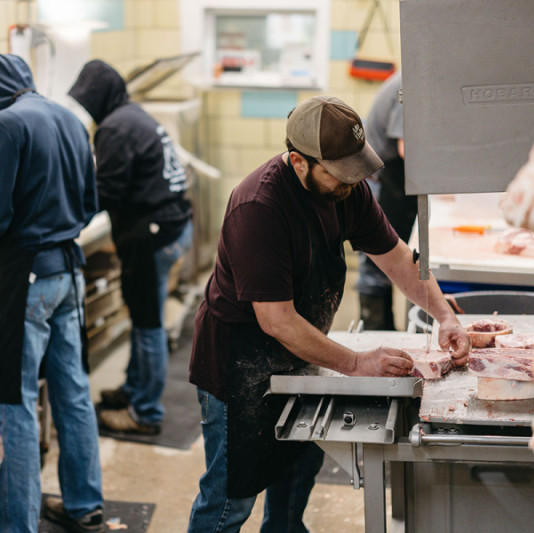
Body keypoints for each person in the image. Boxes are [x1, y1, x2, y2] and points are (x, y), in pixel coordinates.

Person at [186, 95, 470, 532]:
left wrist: (446, 316)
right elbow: (276, 319)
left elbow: (396, 258)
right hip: (239, 362)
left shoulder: (346, 192)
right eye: (340, 174)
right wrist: (356, 363)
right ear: (299, 162)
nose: (351, 183)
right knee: (231, 498)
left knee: (295, 473)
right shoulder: (258, 207)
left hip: (300, 349)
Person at [0, 53, 105, 533]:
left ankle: (13, 526)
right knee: (72, 391)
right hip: (69, 270)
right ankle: (86, 506)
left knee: (16, 402)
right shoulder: (68, 117)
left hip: (27, 280)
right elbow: (89, 203)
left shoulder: (5, 124)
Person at [68, 60, 194, 436]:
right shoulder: (133, 115)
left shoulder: (115, 127)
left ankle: (145, 413)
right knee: (144, 315)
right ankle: (133, 389)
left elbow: (107, 191)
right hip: (172, 226)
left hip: (152, 235)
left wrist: (65, 219)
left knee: (147, 323)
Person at [358, 71, 418, 330]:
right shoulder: (411, 84)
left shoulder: (417, 80)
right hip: (378, 178)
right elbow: (408, 149)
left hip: (392, 175)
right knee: (378, 258)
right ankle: (376, 331)